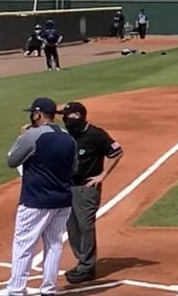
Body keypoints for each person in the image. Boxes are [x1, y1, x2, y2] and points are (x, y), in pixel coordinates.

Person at [4, 98, 75, 296]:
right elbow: (74, 168)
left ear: (38, 114)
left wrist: (22, 137)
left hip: (35, 201)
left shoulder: (32, 135)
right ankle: (49, 289)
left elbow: (12, 160)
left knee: (23, 245)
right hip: (62, 200)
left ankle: (17, 290)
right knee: (53, 245)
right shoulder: (68, 137)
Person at [59, 102, 123, 285]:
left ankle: (87, 266)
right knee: (72, 226)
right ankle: (83, 262)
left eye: (68, 116)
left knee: (85, 226)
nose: (65, 119)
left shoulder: (96, 134)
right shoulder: (68, 135)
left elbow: (116, 151)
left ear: (79, 115)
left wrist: (103, 175)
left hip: (87, 188)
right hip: (68, 186)